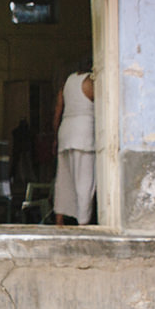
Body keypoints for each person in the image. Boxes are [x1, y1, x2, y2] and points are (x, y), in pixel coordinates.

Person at [51, 68, 97, 225]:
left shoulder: (67, 83)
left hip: (66, 131)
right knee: (85, 183)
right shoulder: (91, 82)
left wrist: (55, 137)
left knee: (64, 180)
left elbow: (58, 111)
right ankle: (83, 224)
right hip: (84, 133)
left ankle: (59, 220)